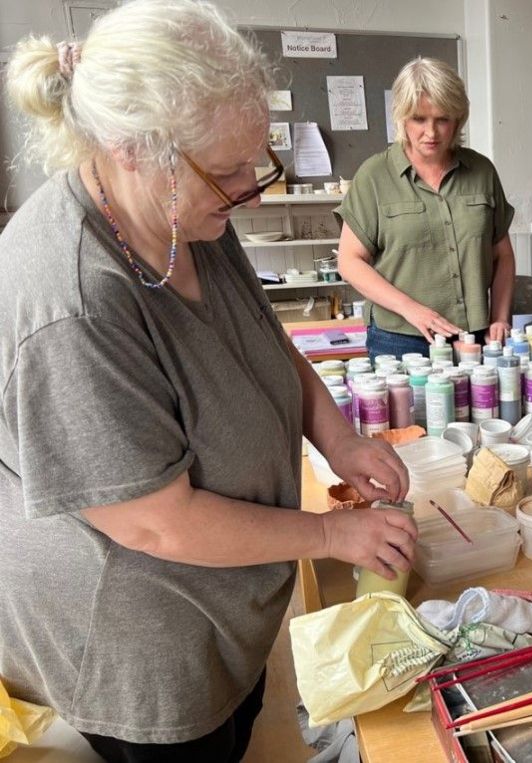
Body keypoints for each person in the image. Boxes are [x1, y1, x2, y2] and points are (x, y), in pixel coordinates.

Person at [0, 1, 416, 759]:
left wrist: (339, 440)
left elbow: (265, 338)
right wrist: (330, 531)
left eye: (254, 162)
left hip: (224, 602)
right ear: (133, 150)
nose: (250, 189)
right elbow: (155, 522)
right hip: (142, 636)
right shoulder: (73, 297)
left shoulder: (186, 213)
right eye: (228, 173)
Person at [337, 57, 516, 362]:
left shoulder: (482, 171)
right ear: (402, 118)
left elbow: (503, 256)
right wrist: (411, 309)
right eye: (419, 119)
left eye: (442, 119)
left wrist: (500, 318)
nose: (431, 132)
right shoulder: (374, 175)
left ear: (458, 120)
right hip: (399, 340)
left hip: (473, 338)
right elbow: (350, 262)